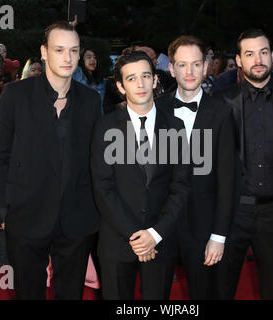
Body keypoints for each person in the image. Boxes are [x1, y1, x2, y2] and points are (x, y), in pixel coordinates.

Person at [0, 21, 101, 300]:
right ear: (44, 52)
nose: (67, 57)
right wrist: (3, 211)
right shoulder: (15, 95)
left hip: (77, 220)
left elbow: (96, 160)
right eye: (59, 49)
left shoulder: (89, 100)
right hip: (25, 216)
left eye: (73, 50)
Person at [213, 29, 273, 300]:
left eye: (263, 52)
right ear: (239, 60)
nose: (257, 59)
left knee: (272, 289)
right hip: (232, 211)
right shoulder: (221, 102)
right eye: (249, 53)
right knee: (221, 288)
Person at [90, 50, 191, 299]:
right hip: (117, 240)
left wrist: (154, 235)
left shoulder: (176, 126)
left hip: (161, 241)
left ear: (155, 80)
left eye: (145, 76)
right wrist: (136, 236)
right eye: (132, 78)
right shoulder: (105, 126)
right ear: (120, 86)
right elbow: (103, 187)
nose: (141, 84)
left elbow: (181, 186)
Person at [155, 35, 236, 299]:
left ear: (206, 66)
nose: (189, 72)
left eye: (195, 64)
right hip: (161, 223)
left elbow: (227, 179)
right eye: (182, 64)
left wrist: (219, 235)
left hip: (203, 226)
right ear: (171, 68)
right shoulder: (155, 109)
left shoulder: (222, 112)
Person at [73, 48, 106, 113]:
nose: (92, 59)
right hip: (81, 117)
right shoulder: (78, 74)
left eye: (94, 57)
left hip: (98, 117)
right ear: (82, 59)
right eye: (88, 57)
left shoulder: (102, 80)